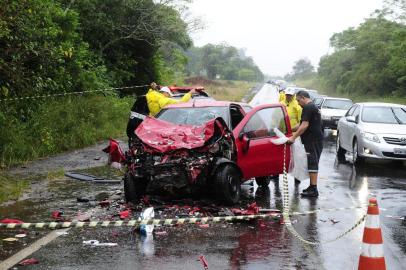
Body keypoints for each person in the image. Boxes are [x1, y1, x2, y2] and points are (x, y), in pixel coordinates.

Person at [287, 90, 323, 197]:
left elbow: (304, 125)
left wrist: (293, 137)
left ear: (303, 98)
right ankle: (312, 186)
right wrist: (290, 130)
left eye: (298, 100)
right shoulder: (313, 107)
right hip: (315, 139)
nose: (298, 103)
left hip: (312, 139)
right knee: (312, 161)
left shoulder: (308, 107)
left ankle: (314, 189)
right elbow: (302, 124)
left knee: (312, 162)